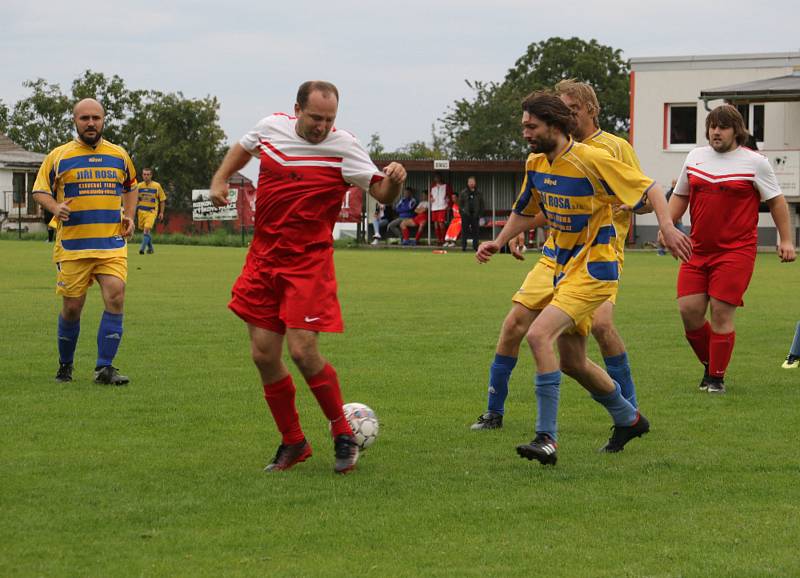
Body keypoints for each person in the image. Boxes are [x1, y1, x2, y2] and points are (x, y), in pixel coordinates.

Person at [476, 91, 690, 465]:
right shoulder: (536, 163)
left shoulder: (592, 158)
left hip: (594, 267)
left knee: (539, 334)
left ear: (554, 126)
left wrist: (667, 227)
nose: (525, 132)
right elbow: (526, 210)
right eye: (523, 126)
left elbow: (650, 187)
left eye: (531, 126)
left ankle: (546, 438)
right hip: (559, 265)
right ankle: (629, 418)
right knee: (573, 362)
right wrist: (499, 240)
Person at [209, 81, 406, 474]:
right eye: (316, 117)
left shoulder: (344, 146)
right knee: (264, 354)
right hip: (264, 258)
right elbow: (243, 147)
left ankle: (342, 434)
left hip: (308, 263)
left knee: (302, 351)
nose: (322, 126)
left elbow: (384, 195)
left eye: (330, 119)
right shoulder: (271, 128)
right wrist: (220, 180)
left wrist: (396, 179)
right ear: (296, 109)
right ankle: (293, 442)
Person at [667, 104, 796, 393]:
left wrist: (786, 240)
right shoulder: (695, 157)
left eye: (722, 127)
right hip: (696, 249)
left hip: (735, 252)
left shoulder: (756, 162)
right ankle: (710, 364)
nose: (716, 131)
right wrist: (668, 225)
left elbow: (776, 202)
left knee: (721, 313)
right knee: (688, 311)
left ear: (736, 131)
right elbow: (680, 196)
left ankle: (716, 378)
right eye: (712, 126)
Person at [31, 98, 137, 385]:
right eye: (84, 118)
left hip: (111, 244)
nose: (91, 123)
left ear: (104, 120)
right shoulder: (59, 156)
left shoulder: (119, 155)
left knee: (116, 295)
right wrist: (55, 207)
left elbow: (131, 186)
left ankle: (105, 368)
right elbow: (39, 191)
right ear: (75, 121)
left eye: (96, 118)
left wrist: (129, 215)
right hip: (73, 247)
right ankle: (65, 366)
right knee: (72, 308)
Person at [135, 167, 167, 254]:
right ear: (142, 175)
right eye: (144, 174)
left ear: (151, 175)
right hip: (141, 212)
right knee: (146, 231)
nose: (146, 176)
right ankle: (151, 249)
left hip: (151, 212)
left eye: (148, 174)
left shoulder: (157, 186)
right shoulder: (139, 186)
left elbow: (162, 200)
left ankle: (142, 249)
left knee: (146, 229)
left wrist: (161, 212)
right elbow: (136, 200)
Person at [458, 176, 484, 252]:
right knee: (464, 231)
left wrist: (480, 214)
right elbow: (460, 204)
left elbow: (482, 204)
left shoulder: (479, 193)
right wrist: (462, 213)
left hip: (475, 215)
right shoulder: (463, 192)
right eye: (470, 182)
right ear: (468, 183)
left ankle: (475, 247)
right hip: (466, 215)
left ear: (475, 183)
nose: (471, 183)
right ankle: (463, 247)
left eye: (473, 182)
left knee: (476, 232)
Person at [429, 174, 451, 245]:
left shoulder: (445, 186)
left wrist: (448, 202)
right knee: (435, 224)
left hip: (442, 206)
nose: (437, 179)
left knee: (441, 223)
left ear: (441, 178)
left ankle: (443, 238)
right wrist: (430, 198)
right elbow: (430, 195)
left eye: (438, 177)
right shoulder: (432, 186)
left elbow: (449, 195)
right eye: (435, 177)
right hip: (434, 207)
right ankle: (438, 239)